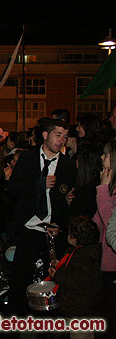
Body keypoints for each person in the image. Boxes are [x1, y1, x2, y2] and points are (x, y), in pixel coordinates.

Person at [5, 118, 76, 319]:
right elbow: (13, 189)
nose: (61, 140)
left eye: (65, 136)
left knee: (52, 282)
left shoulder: (67, 166)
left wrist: (60, 224)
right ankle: (13, 324)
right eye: (57, 135)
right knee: (19, 278)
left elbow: (67, 200)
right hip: (30, 227)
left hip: (53, 231)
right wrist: (39, 184)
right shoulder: (27, 159)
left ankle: (49, 327)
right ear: (45, 135)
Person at [47, 216, 101, 337]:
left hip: (80, 308)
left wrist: (57, 275)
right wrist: (60, 264)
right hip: (84, 306)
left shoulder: (82, 256)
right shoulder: (87, 252)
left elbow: (75, 280)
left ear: (74, 238)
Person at [93, 140, 116, 337]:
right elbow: (97, 221)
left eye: (106, 155)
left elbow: (111, 226)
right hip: (105, 261)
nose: (102, 158)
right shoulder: (111, 186)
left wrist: (102, 190)